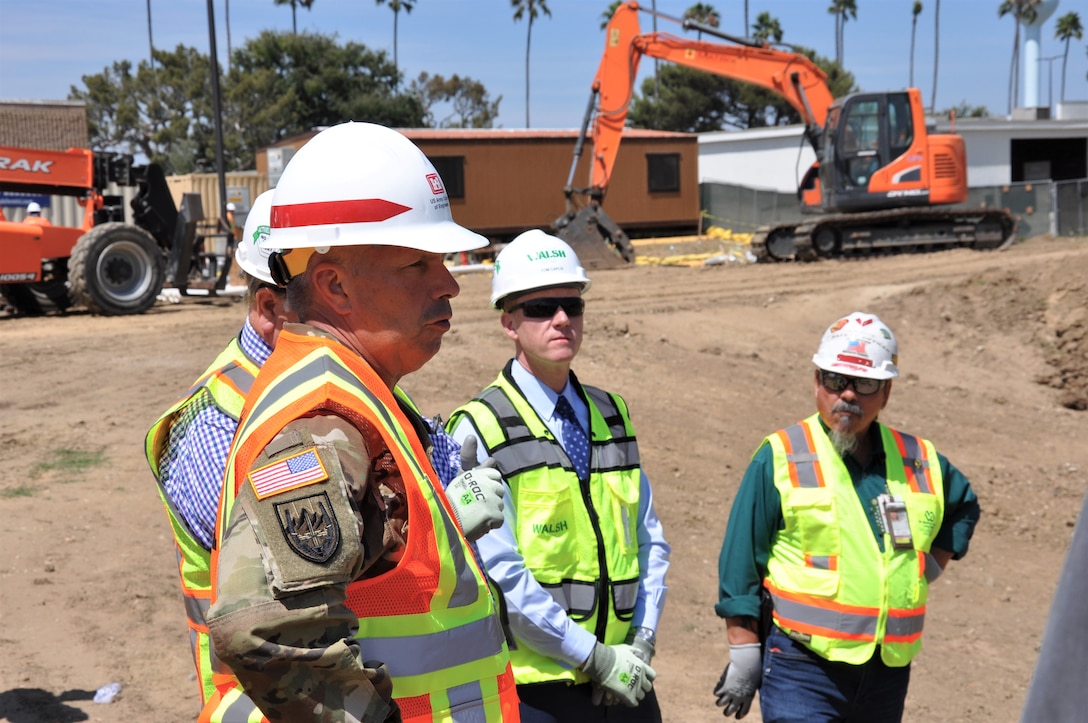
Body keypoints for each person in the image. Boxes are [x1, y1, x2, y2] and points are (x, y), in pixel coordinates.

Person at [205, 121, 519, 723]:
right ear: (334, 285)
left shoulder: (357, 393)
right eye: (418, 264)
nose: (449, 282)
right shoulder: (326, 416)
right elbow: (263, 635)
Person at [712, 312, 981, 722]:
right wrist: (744, 648)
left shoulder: (920, 459)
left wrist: (924, 569)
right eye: (836, 380)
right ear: (817, 381)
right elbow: (741, 558)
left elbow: (963, 505)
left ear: (886, 391)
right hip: (802, 666)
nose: (848, 395)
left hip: (887, 670)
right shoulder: (782, 454)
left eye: (865, 384)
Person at [447, 230, 670, 722]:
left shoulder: (613, 414)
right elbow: (500, 571)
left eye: (572, 304)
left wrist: (643, 641)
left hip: (627, 677)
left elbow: (649, 538)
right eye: (541, 308)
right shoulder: (478, 427)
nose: (562, 319)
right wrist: (593, 657)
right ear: (508, 322)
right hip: (540, 690)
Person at [144, 188, 292, 717]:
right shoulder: (217, 421)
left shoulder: (329, 385)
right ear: (270, 307)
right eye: (331, 293)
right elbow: (286, 569)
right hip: (263, 705)